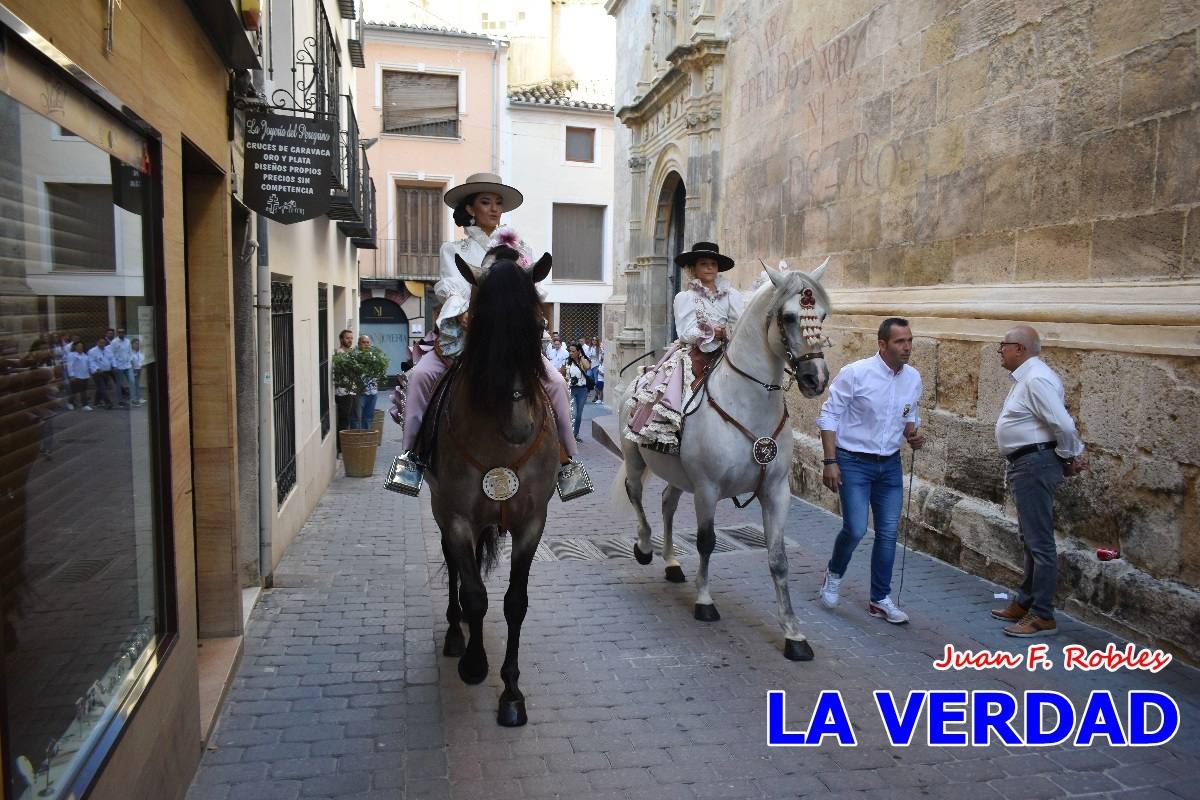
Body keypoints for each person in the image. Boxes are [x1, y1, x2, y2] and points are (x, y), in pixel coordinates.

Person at [396, 173, 583, 494]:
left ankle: (569, 463)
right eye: (486, 202)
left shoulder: (521, 250)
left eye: (498, 203)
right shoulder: (453, 249)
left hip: (512, 342)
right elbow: (451, 287)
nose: (494, 209)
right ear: (470, 208)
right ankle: (410, 460)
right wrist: (465, 312)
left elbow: (533, 290)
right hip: (466, 338)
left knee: (557, 383)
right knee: (419, 378)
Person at [816, 317, 924, 625]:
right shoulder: (856, 373)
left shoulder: (913, 378)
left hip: (889, 465)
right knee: (855, 528)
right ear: (882, 344)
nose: (907, 347)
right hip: (853, 462)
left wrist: (913, 434)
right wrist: (830, 462)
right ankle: (834, 573)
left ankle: (880, 599)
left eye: (910, 341)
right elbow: (829, 416)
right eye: (900, 342)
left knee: (888, 533)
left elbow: (909, 415)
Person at [990, 325, 1086, 638]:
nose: (1000, 350)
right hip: (1028, 463)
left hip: (1034, 464)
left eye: (1004, 345)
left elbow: (1063, 424)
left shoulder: (1036, 378)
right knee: (1030, 537)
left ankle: (1043, 614)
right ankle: (1025, 601)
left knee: (1039, 541)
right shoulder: (1027, 378)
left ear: (1020, 348)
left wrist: (1070, 454)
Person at [625, 242, 744, 452]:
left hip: (728, 351)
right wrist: (711, 331)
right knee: (678, 390)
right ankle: (674, 437)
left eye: (713, 264)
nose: (709, 267)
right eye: (704, 263)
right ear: (693, 269)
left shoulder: (732, 294)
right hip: (697, 353)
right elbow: (685, 332)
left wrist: (727, 332)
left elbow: (740, 323)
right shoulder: (685, 297)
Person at [563, 342, 591, 442]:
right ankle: (570, 434)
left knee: (579, 414)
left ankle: (576, 434)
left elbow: (587, 367)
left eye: (573, 351)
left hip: (582, 390)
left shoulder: (583, 361)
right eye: (569, 351)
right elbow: (563, 375)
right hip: (571, 389)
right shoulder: (567, 362)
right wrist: (566, 379)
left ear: (578, 352)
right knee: (573, 413)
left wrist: (581, 357)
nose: (571, 353)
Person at [356, 334, 379, 430]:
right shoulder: (356, 357)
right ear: (359, 344)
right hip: (361, 392)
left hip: (373, 392)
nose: (366, 344)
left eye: (368, 342)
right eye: (363, 342)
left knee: (368, 418)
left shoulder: (373, 357)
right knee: (357, 418)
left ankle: (367, 436)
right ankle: (357, 437)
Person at [107, 328, 134, 407]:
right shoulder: (114, 342)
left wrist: (131, 361)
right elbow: (111, 355)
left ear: (124, 333)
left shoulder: (128, 341)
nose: (121, 333)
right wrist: (114, 365)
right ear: (117, 333)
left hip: (128, 365)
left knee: (132, 381)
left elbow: (130, 352)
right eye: (119, 332)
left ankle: (133, 398)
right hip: (118, 366)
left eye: (122, 332)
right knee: (119, 384)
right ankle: (120, 401)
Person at [87, 337, 113, 409]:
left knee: (100, 388)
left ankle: (96, 402)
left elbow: (111, 358)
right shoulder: (92, 351)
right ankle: (108, 403)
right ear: (97, 343)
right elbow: (91, 362)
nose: (102, 344)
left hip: (106, 371)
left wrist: (114, 366)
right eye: (100, 342)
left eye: (103, 343)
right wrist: (97, 369)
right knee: (102, 387)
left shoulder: (108, 350)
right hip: (97, 373)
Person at [65, 340, 91, 411]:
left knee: (84, 391)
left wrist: (89, 372)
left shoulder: (85, 355)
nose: (80, 347)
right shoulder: (71, 355)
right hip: (76, 376)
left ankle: (85, 405)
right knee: (74, 392)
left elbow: (87, 365)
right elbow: (70, 366)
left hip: (85, 375)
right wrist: (71, 375)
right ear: (75, 347)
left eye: (81, 346)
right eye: (78, 346)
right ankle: (70, 403)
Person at [130, 338, 145, 406]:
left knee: (137, 384)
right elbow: (131, 361)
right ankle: (134, 399)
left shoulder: (140, 352)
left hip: (139, 369)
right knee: (134, 385)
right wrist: (133, 370)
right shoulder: (130, 352)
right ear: (132, 344)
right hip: (133, 370)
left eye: (138, 344)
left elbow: (142, 360)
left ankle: (138, 398)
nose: (137, 345)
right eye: (136, 344)